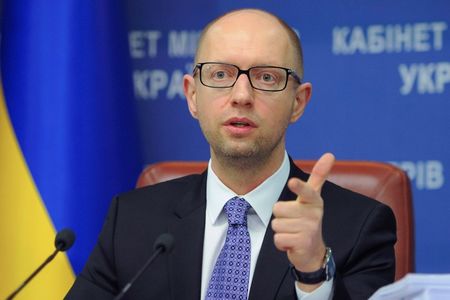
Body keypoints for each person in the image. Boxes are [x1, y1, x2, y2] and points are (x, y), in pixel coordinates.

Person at [65, 8, 396, 300]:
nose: (241, 95)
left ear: (298, 103)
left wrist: (313, 272)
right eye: (221, 74)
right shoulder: (133, 220)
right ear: (192, 96)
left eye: (266, 77)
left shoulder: (358, 228)